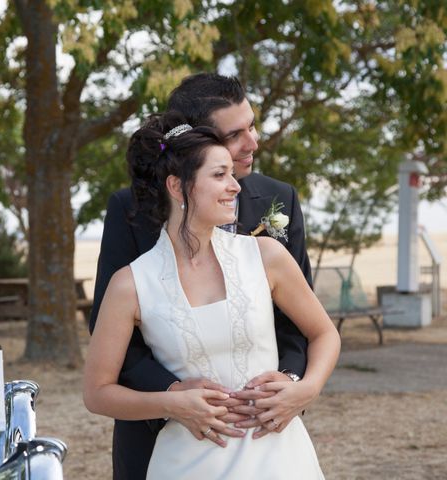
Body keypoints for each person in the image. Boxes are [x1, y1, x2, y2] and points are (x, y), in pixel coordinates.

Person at [84, 113, 340, 478]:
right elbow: (97, 393)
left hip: (280, 458)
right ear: (177, 186)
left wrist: (306, 389)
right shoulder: (131, 284)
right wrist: (173, 404)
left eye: (231, 174)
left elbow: (324, 333)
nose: (235, 186)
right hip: (188, 464)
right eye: (219, 175)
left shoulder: (266, 256)